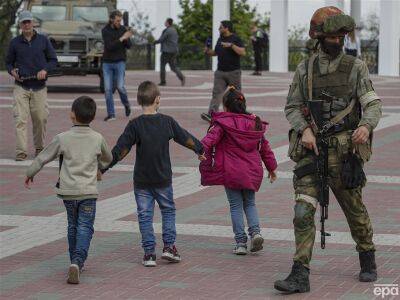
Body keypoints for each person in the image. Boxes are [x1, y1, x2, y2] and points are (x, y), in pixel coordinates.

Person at [274, 6, 382, 294]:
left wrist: (366, 126)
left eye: (342, 36)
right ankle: (300, 274)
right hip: (312, 152)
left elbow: (372, 102)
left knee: (354, 211)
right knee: (301, 212)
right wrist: (305, 129)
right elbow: (292, 106)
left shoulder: (356, 67)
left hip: (345, 152)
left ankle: (367, 256)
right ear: (320, 36)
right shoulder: (305, 68)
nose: (339, 41)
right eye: (334, 36)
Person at [102, 81, 204, 267]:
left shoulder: (135, 125)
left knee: (144, 215)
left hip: (141, 181)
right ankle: (169, 247)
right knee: (168, 211)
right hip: (163, 178)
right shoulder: (167, 122)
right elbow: (184, 137)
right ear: (158, 100)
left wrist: (103, 167)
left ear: (139, 100)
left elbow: (120, 150)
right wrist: (199, 148)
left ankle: (149, 253)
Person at [24, 96, 113, 284]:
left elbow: (43, 157)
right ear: (93, 116)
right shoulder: (98, 138)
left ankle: (74, 262)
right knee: (85, 227)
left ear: (72, 115)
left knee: (72, 226)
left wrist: (30, 172)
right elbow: (108, 158)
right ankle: (78, 261)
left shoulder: (62, 138)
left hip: (68, 192)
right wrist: (98, 168)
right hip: (88, 192)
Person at [200, 87, 277, 255]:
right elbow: (265, 148)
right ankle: (256, 233)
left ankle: (241, 242)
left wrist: (199, 150)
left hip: (231, 172)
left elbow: (210, 140)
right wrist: (272, 168)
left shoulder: (223, 123)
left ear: (226, 107)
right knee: (249, 203)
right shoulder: (255, 123)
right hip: (251, 172)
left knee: (235, 205)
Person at [5, 10, 57, 161]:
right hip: (21, 87)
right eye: (24, 22)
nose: (27, 24)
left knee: (40, 119)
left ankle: (39, 148)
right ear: (20, 25)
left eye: (29, 21)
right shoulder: (14, 43)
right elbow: (8, 62)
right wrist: (11, 71)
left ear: (33, 22)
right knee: (20, 119)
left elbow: (53, 60)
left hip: (39, 87)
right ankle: (21, 152)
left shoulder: (43, 40)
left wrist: (45, 70)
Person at [201, 20, 246, 123]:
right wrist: (208, 51)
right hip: (220, 72)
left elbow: (243, 52)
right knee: (216, 94)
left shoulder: (236, 38)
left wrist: (231, 45)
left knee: (237, 94)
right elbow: (216, 52)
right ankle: (211, 115)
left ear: (226, 28)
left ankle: (240, 115)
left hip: (233, 72)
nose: (219, 29)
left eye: (221, 27)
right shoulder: (220, 39)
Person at [102, 10, 133, 121]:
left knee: (120, 87)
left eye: (120, 20)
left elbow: (129, 46)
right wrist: (122, 38)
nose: (119, 22)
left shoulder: (123, 29)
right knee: (107, 89)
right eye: (117, 20)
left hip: (120, 62)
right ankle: (111, 114)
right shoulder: (105, 30)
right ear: (111, 19)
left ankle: (127, 105)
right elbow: (110, 46)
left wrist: (128, 37)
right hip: (107, 63)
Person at [154, 18, 185, 86]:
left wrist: (155, 42)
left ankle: (163, 81)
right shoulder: (174, 30)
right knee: (173, 67)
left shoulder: (167, 31)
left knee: (162, 66)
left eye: (165, 21)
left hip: (166, 51)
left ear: (168, 23)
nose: (164, 22)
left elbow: (162, 39)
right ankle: (182, 77)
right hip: (174, 51)